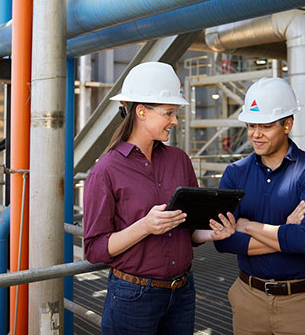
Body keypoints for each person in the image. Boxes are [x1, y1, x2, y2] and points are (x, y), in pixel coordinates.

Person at [83, 62, 236, 335]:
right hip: (132, 297)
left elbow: (186, 231)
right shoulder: (106, 170)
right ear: (141, 112)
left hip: (182, 292)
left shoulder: (180, 160)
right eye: (169, 113)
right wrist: (145, 226)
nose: (175, 121)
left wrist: (213, 233)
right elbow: (95, 248)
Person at [214, 77, 305, 335]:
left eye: (266, 126)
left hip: (303, 304)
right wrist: (283, 232)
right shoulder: (235, 173)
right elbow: (223, 241)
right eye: (251, 125)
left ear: (287, 124)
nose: (255, 134)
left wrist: (247, 225)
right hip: (249, 299)